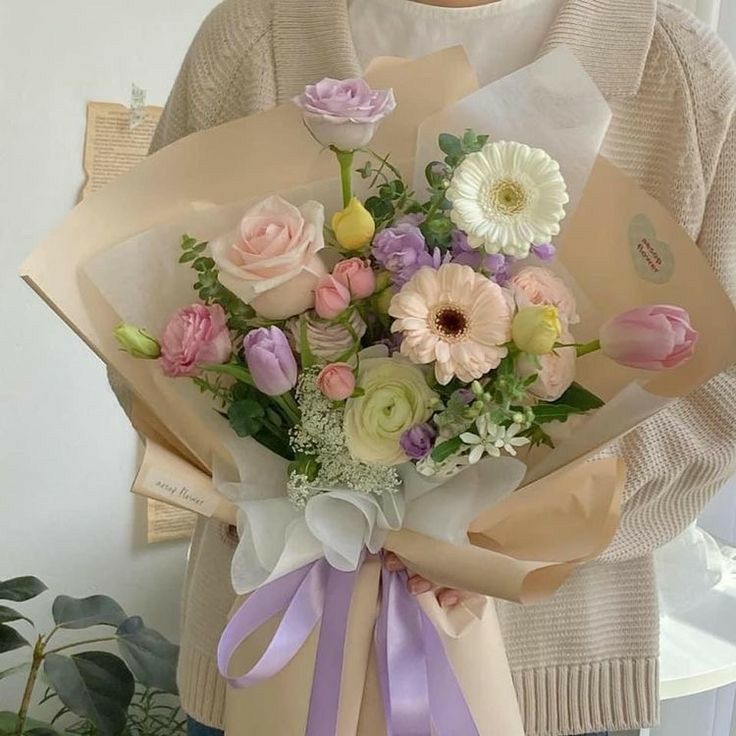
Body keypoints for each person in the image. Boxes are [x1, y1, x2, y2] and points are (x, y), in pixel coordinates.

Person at [144, 1, 736, 735]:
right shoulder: (255, 36)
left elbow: (720, 390)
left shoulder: (680, 71)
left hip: (547, 671)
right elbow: (157, 320)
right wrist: (301, 487)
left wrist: (510, 524)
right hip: (275, 657)